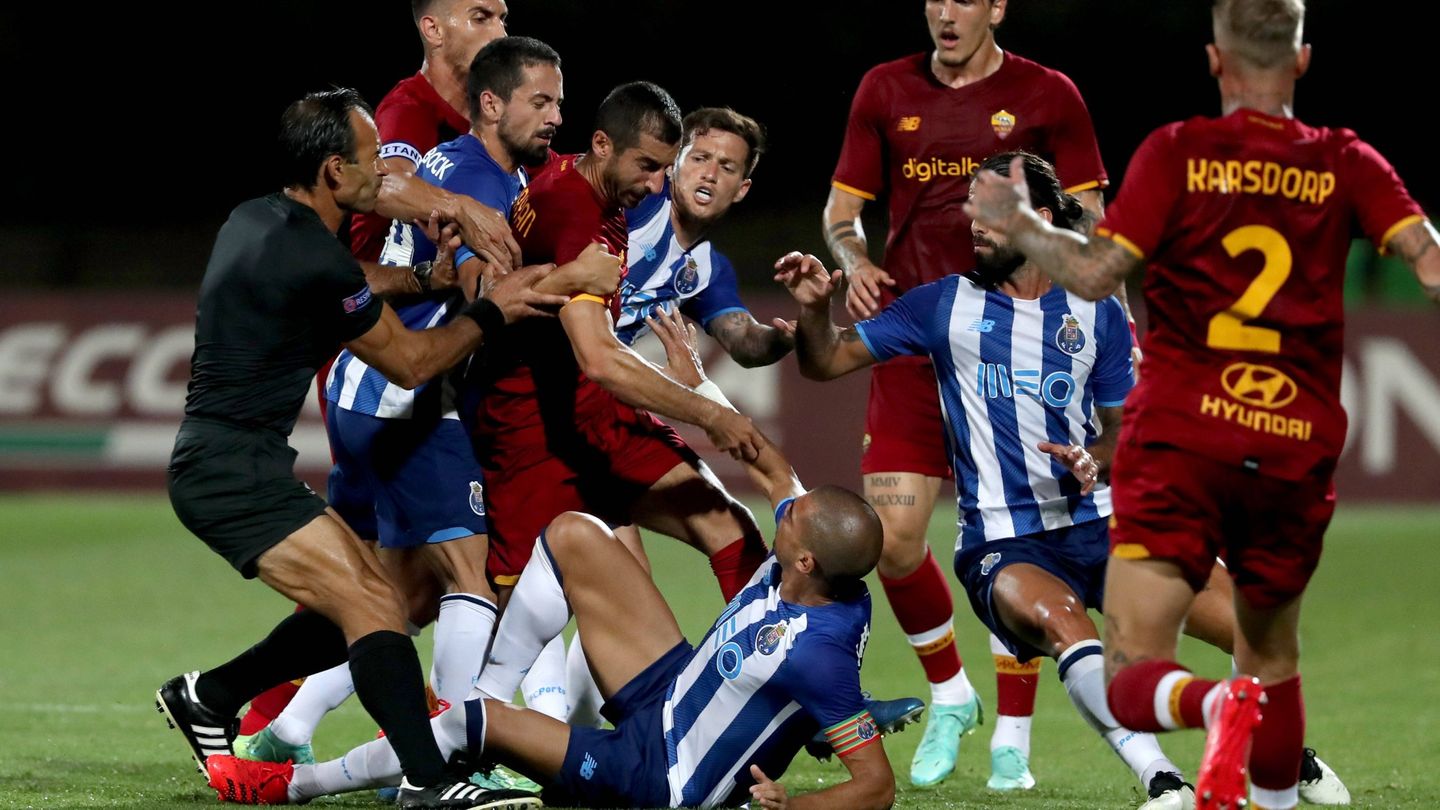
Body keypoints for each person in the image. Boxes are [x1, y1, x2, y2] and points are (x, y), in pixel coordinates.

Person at [963, 2, 1439, 808]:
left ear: (1215, 59)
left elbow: (1094, 274)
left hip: (1183, 440)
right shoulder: (1347, 162)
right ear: (1302, 60)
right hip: (1291, 440)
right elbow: (1430, 267)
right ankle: (1262, 744)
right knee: (1272, 661)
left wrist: (1024, 226)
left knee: (1129, 678)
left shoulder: (1177, 153)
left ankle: (1216, 705)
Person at [156, 87, 617, 810]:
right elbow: (411, 363)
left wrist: (428, 278)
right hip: (232, 474)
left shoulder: (255, 219)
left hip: (227, 460)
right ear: (334, 172)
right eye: (374, 160)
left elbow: (347, 285)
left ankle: (209, 696)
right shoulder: (317, 258)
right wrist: (491, 311)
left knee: (368, 600)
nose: (388, 173)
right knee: (375, 604)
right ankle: (430, 783)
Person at [204, 411, 899, 810]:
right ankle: (488, 694)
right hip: (671, 691)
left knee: (467, 726)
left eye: (792, 521)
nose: (781, 515)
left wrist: (791, 805)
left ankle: (292, 786)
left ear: (806, 561)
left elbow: (876, 788)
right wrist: (701, 390)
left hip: (659, 774)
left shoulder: (819, 654)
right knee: (576, 533)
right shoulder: (816, 565)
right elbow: (775, 471)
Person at [783, 151, 1196, 810]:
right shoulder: (944, 305)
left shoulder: (1097, 310)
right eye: (972, 209)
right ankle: (1164, 780)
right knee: (1065, 624)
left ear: (1040, 216)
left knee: (1241, 616)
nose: (975, 224)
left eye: (993, 210)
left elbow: (1125, 429)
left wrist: (1095, 457)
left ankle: (1285, 756)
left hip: (1105, 522)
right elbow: (826, 359)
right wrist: (813, 311)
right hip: (1005, 541)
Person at [233, 37, 570, 772]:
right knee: (472, 577)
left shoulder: (466, 168)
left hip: (373, 393)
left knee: (395, 595)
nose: (555, 117)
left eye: (559, 103)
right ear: (491, 104)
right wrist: (574, 284)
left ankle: (284, 726)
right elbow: (483, 289)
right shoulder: (474, 180)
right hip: (405, 398)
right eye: (541, 102)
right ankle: (453, 755)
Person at [822, 0, 1111, 788]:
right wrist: (853, 260)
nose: (945, 13)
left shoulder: (1049, 94)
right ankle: (951, 692)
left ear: (997, 7)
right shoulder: (885, 90)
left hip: (1019, 345)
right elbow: (843, 212)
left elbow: (1093, 217)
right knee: (893, 538)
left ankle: (1014, 737)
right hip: (918, 337)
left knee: (1028, 537)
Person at [461, 81, 772, 613]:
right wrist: (710, 413)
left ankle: (752, 659)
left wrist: (803, 327)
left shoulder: (610, 201)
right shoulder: (593, 212)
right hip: (532, 419)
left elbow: (743, 338)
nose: (657, 184)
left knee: (726, 530)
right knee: (519, 607)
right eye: (694, 160)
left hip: (597, 409)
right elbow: (599, 357)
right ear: (604, 146)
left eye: (726, 167)